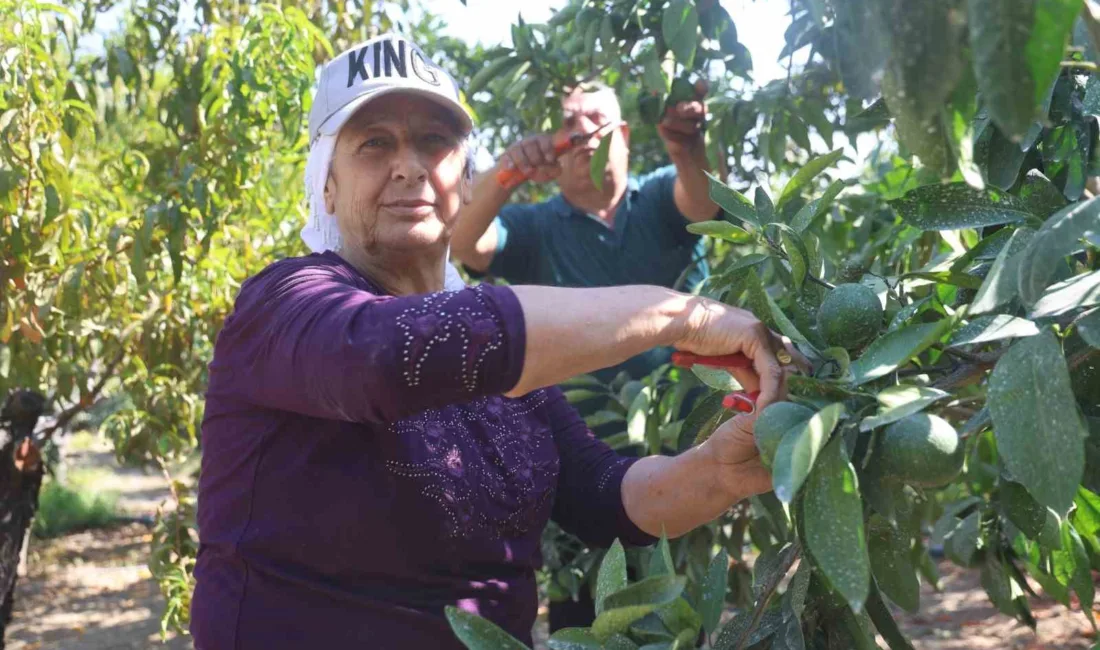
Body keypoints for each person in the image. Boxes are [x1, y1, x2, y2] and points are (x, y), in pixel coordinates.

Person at [191, 34, 799, 650]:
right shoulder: (284, 304)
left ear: (464, 174)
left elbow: (602, 493)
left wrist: (720, 471)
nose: (408, 165)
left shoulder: (510, 373)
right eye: (374, 143)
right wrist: (681, 317)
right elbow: (378, 357)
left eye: (434, 140)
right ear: (326, 183)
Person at [451, 82, 720, 382]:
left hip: (698, 414)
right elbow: (461, 242)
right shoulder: (532, 227)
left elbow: (703, 204)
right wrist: (510, 168)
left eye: (596, 117)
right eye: (567, 123)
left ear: (624, 135)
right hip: (584, 426)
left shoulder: (658, 194)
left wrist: (687, 148)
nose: (581, 129)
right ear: (552, 145)